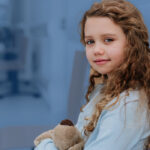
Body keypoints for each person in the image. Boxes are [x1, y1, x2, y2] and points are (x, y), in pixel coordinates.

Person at [34, 0, 150, 149]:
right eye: (90, 42)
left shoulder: (128, 106)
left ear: (133, 43)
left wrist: (45, 145)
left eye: (108, 40)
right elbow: (78, 135)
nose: (96, 50)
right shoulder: (106, 88)